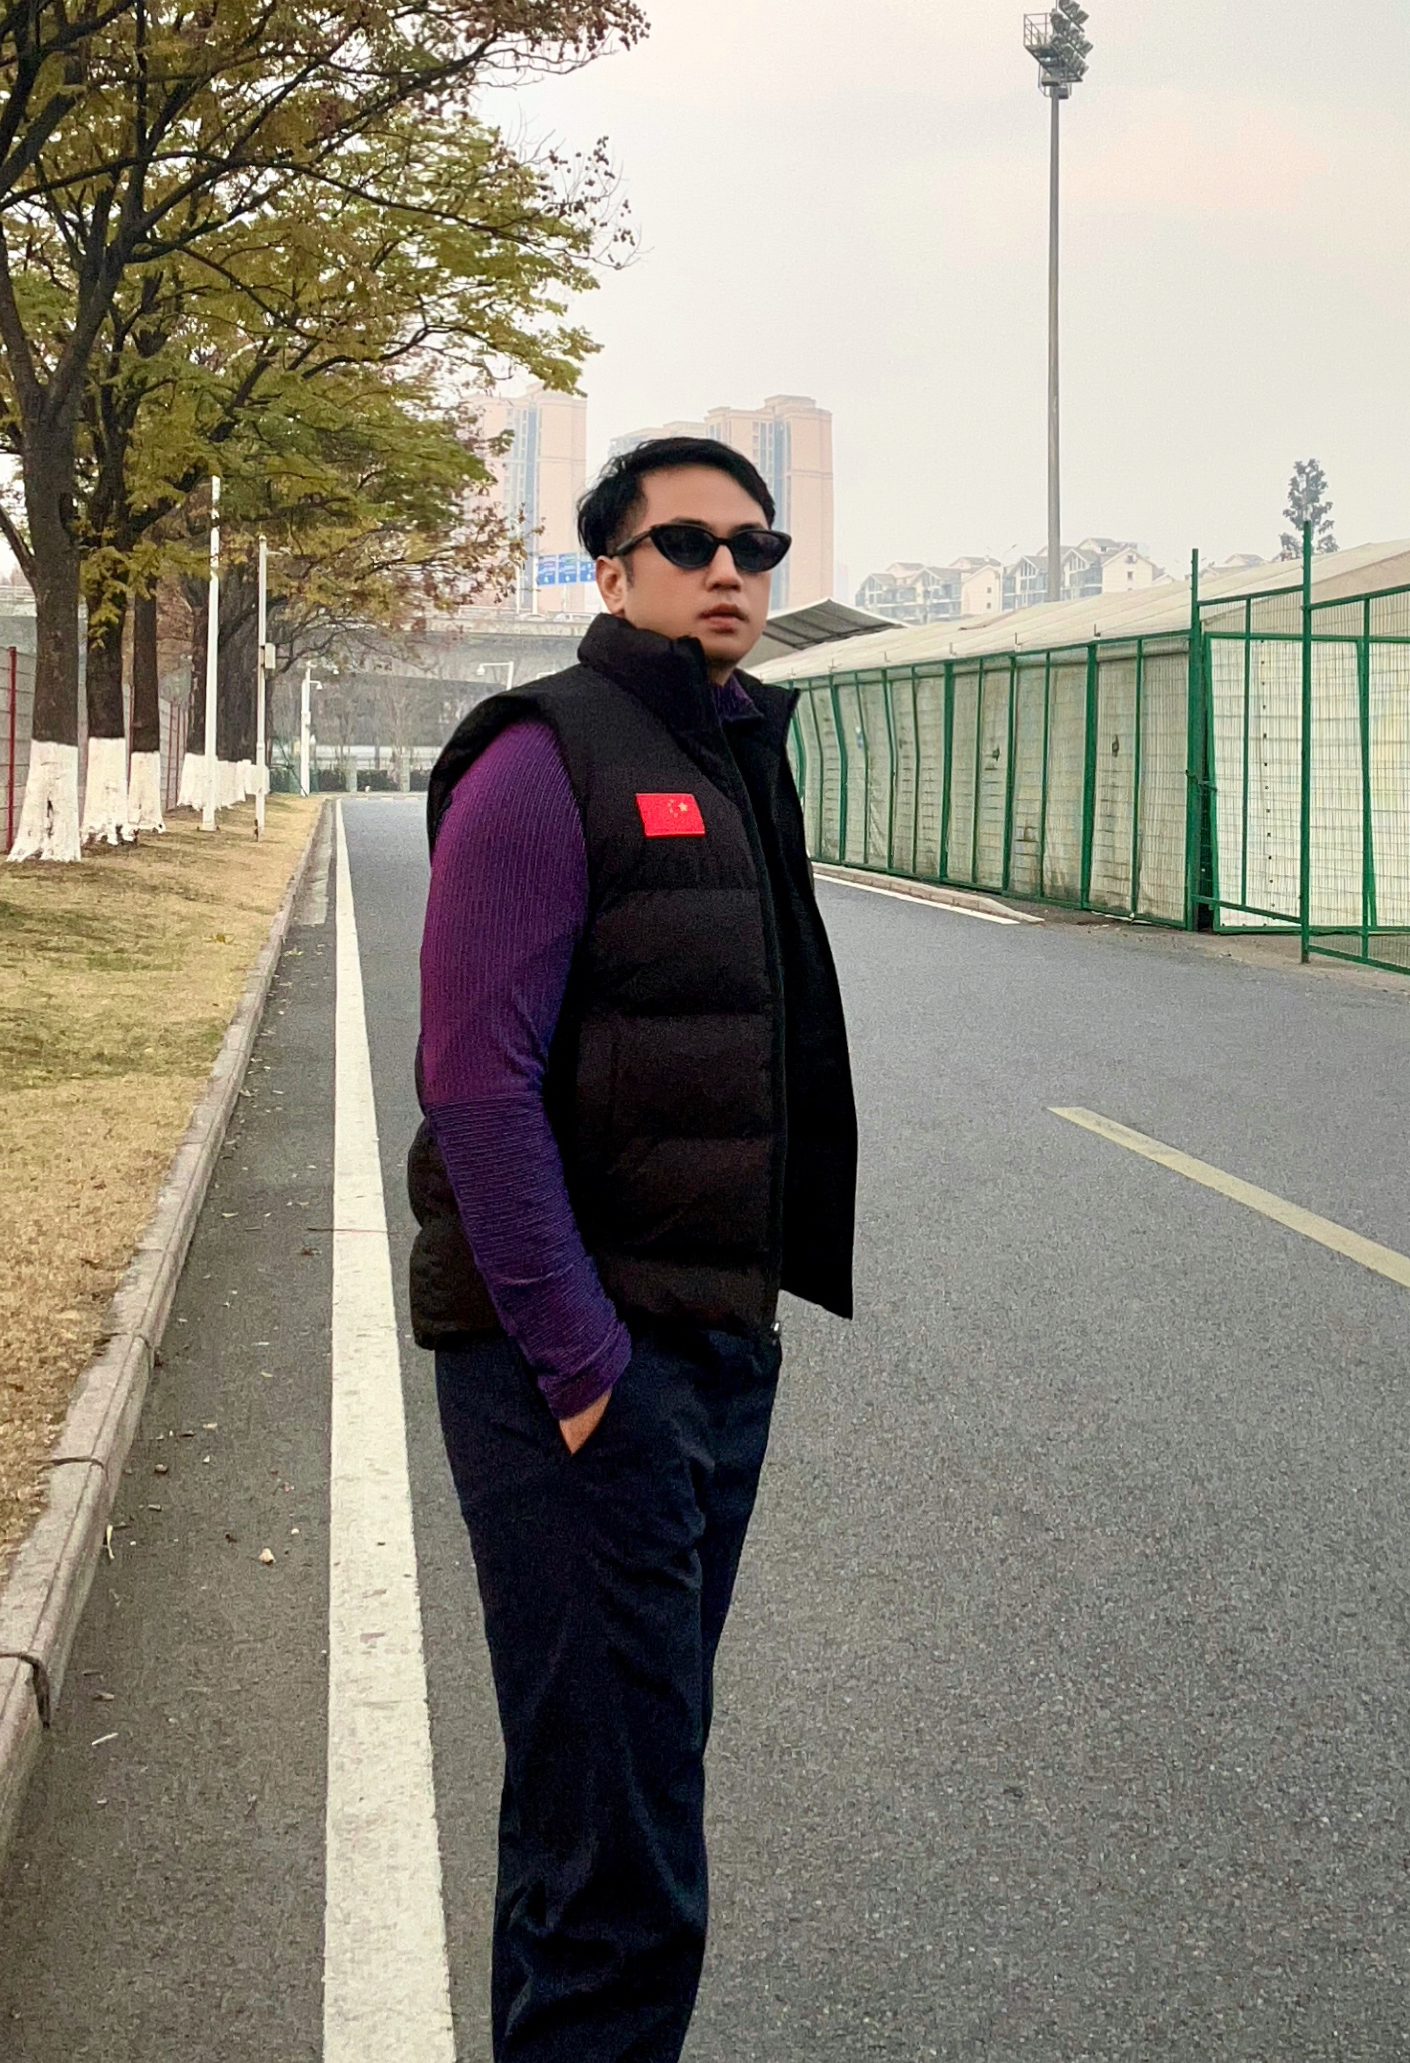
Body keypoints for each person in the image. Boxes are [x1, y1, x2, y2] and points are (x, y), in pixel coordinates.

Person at [408, 433, 859, 2063]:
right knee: (622, 1866)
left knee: (599, 1810)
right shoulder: (547, 754)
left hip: (709, 1349)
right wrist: (583, 1368)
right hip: (582, 1376)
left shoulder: (736, 750)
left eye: (756, 544)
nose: (729, 569)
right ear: (611, 574)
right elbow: (474, 1081)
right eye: (687, 543)